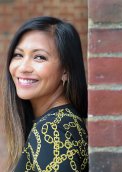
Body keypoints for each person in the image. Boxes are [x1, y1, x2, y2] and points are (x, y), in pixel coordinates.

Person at [2, 16, 88, 172]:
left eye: (39, 57)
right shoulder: (65, 120)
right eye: (18, 55)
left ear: (66, 70)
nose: (23, 67)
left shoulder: (51, 129)